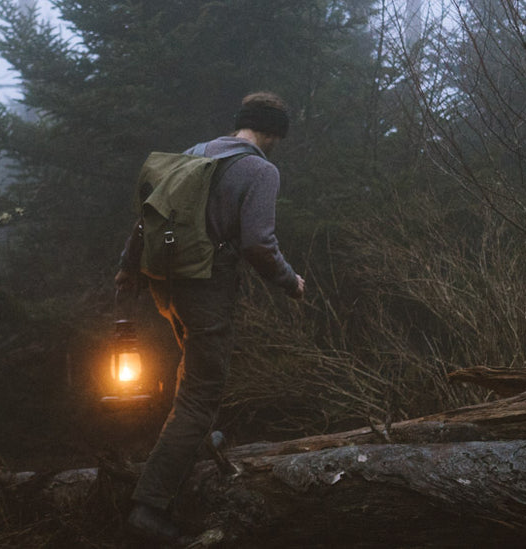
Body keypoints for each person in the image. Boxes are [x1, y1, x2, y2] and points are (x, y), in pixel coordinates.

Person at [114, 91, 305, 543]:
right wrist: (290, 281)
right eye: (279, 134)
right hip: (205, 288)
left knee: (192, 373)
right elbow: (259, 243)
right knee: (202, 392)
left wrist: (127, 266)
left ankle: (193, 445)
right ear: (272, 132)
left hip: (165, 283)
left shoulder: (196, 154)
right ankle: (149, 506)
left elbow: (147, 218)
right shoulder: (260, 169)